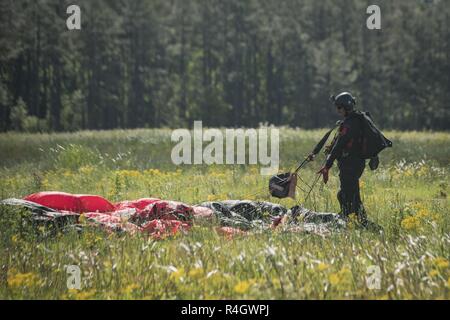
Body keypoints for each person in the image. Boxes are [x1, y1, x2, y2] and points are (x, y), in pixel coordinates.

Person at [316, 92, 369, 226]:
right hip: (356, 163)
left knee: (347, 196)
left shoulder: (350, 124)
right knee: (350, 195)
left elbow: (339, 145)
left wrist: (327, 166)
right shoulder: (357, 120)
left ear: (345, 107)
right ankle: (358, 220)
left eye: (339, 108)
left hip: (350, 164)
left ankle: (350, 221)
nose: (338, 111)